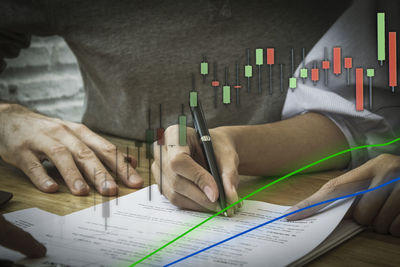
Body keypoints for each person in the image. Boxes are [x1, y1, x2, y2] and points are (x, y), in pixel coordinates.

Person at [0, 0, 398, 258]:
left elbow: (357, 108)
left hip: (297, 185)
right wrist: (4, 115)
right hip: (108, 181)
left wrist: (231, 140)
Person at [152, 0, 400, 237]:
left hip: (301, 184)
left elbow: (353, 113)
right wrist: (229, 141)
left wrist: (234, 143)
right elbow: (348, 114)